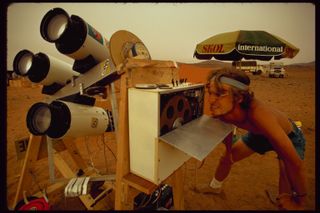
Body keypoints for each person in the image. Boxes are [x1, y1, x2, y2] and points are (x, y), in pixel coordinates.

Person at [199, 67, 307, 210]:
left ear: (239, 97)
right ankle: (215, 187)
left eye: (221, 93)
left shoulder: (259, 115)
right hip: (259, 135)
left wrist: (301, 200)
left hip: (289, 136)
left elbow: (295, 163)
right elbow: (228, 130)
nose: (212, 100)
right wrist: (229, 151)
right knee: (226, 158)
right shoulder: (223, 110)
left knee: (286, 184)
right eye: (211, 92)